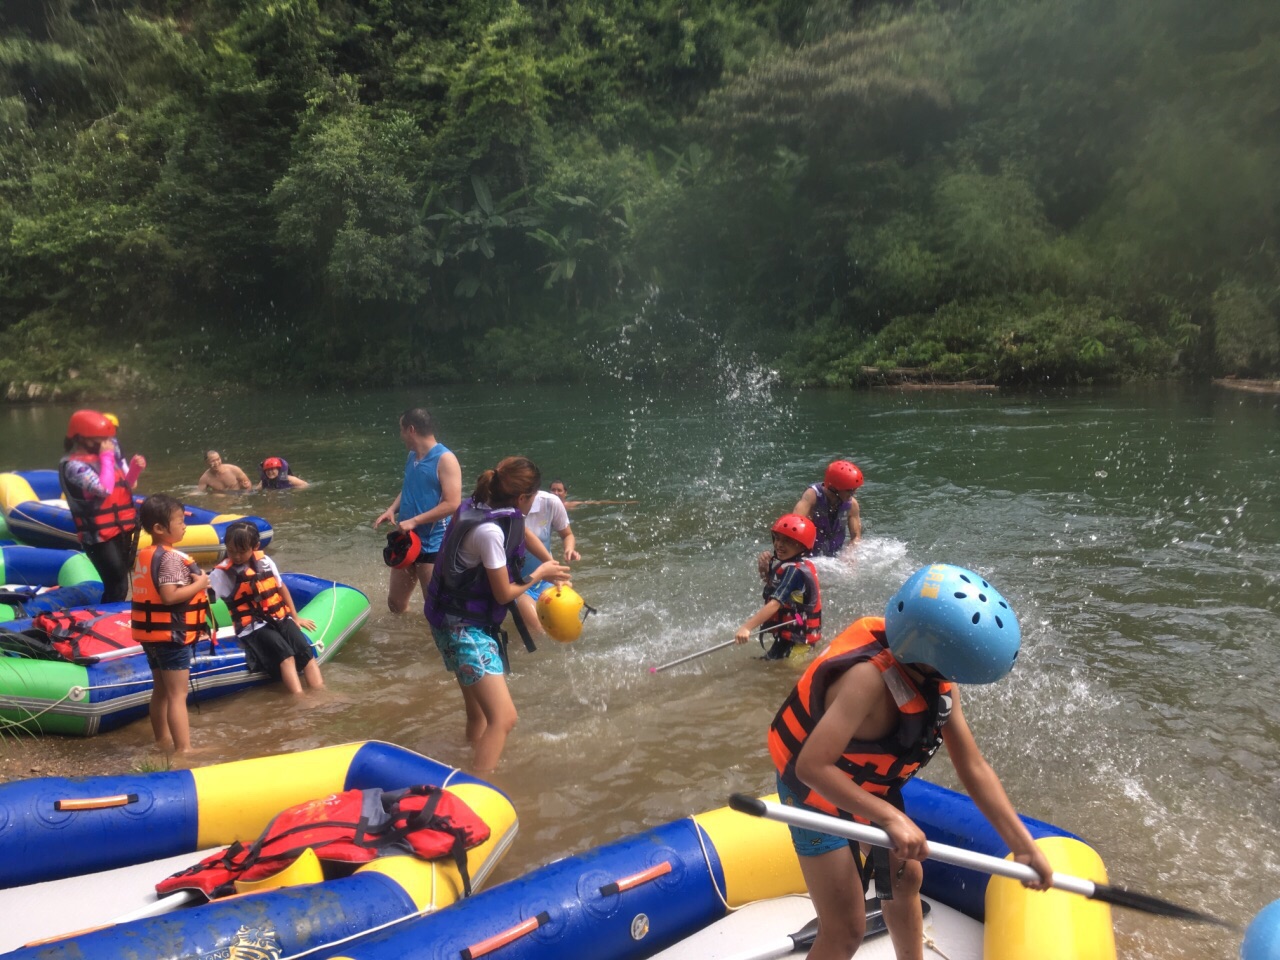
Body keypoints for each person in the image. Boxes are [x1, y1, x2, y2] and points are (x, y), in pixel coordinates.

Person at [767, 563, 1053, 960]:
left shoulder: (932, 679)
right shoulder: (866, 681)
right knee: (846, 928)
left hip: (864, 787)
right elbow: (812, 768)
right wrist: (889, 818)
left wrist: (1023, 847)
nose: (956, 680)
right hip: (815, 796)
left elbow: (973, 768)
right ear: (932, 655)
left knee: (907, 878)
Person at [423, 457, 571, 772]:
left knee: (479, 714)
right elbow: (504, 593)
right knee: (504, 718)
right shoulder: (488, 532)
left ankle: (467, 762)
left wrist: (552, 565)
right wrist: (540, 573)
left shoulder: (482, 504)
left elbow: (522, 532)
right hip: (462, 628)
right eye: (534, 495)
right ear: (521, 498)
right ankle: (478, 788)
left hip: (451, 619)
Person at [131, 493, 212, 754]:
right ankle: (184, 750)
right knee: (177, 695)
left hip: (152, 636)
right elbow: (169, 596)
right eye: (179, 521)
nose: (184, 525)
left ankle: (161, 740)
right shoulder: (171, 559)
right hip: (172, 638)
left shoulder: (146, 554)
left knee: (161, 691)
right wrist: (200, 582)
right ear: (159, 528)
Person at [209, 521, 323, 694]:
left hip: (278, 617)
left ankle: (320, 692)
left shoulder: (265, 562)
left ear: (255, 547)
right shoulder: (221, 574)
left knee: (305, 651)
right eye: (232, 551)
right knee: (286, 655)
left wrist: (295, 616)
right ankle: (300, 699)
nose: (236, 556)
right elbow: (205, 600)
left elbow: (280, 587)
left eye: (242, 551)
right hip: (251, 626)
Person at [374, 408, 462, 614]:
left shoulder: (445, 459)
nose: (400, 435)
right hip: (406, 539)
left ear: (411, 430)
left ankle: (433, 644)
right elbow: (409, 487)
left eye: (401, 429)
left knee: (435, 608)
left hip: (434, 543)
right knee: (395, 604)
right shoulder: (412, 456)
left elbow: (452, 503)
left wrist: (414, 521)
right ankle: (407, 643)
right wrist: (392, 509)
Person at [58, 409, 146, 603]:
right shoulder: (74, 466)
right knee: (117, 585)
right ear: (83, 439)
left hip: (118, 528)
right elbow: (104, 489)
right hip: (97, 535)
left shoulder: (105, 456)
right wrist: (107, 457)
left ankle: (114, 618)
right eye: (102, 439)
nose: (109, 443)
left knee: (122, 583)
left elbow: (126, 485)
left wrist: (135, 468)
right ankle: (104, 621)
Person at [738, 514, 822, 660]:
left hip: (799, 640)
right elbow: (774, 587)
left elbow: (775, 604)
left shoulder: (795, 571)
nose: (779, 545)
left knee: (788, 672)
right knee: (764, 665)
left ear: (802, 545)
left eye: (787, 541)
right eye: (777, 538)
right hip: (790, 632)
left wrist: (747, 627)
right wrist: (764, 570)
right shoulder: (788, 565)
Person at [514, 488, 581, 637]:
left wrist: (569, 549)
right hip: (519, 584)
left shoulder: (550, 502)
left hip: (547, 577)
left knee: (566, 621)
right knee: (540, 632)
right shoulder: (508, 508)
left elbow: (567, 534)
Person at [794, 460, 863, 556]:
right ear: (834, 488)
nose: (852, 494)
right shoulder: (812, 496)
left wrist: (849, 554)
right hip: (809, 555)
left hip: (834, 558)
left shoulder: (852, 505)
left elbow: (856, 537)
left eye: (854, 490)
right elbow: (794, 523)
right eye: (849, 490)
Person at [548, 479, 637, 511]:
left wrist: (623, 503)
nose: (556, 493)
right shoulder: (544, 506)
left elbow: (598, 502)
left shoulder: (571, 505)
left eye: (559, 490)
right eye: (553, 490)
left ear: (565, 493)